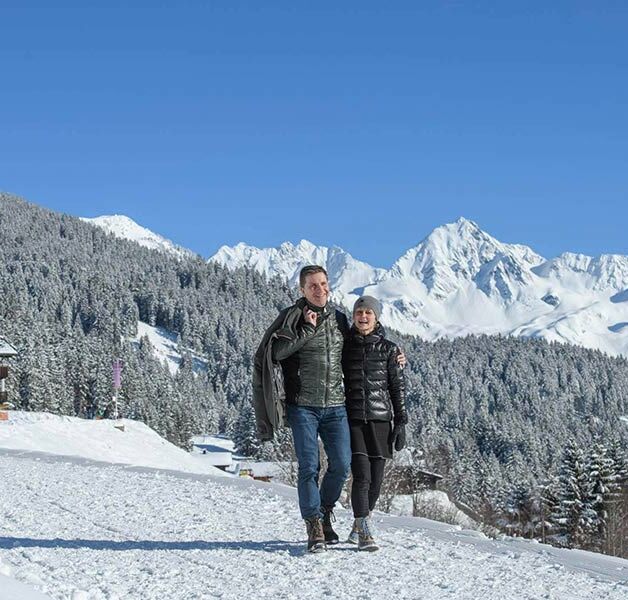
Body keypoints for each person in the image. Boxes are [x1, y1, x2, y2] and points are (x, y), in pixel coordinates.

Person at [253, 266, 406, 553]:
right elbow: (275, 354)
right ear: (302, 289)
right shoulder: (292, 317)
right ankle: (313, 525)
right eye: (313, 285)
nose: (319, 289)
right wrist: (306, 331)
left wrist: (391, 351)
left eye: (323, 284)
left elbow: (362, 341)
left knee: (342, 465)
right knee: (309, 466)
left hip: (337, 407)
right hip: (303, 406)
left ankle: (324, 512)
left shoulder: (338, 318)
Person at [342, 295, 407, 551]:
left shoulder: (390, 349)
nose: (363, 316)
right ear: (354, 316)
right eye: (359, 312)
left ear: (376, 317)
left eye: (369, 312)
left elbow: (397, 387)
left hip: (381, 420)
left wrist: (401, 421)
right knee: (362, 476)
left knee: (377, 479)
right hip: (354, 418)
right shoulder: (344, 347)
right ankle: (365, 530)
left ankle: (361, 522)